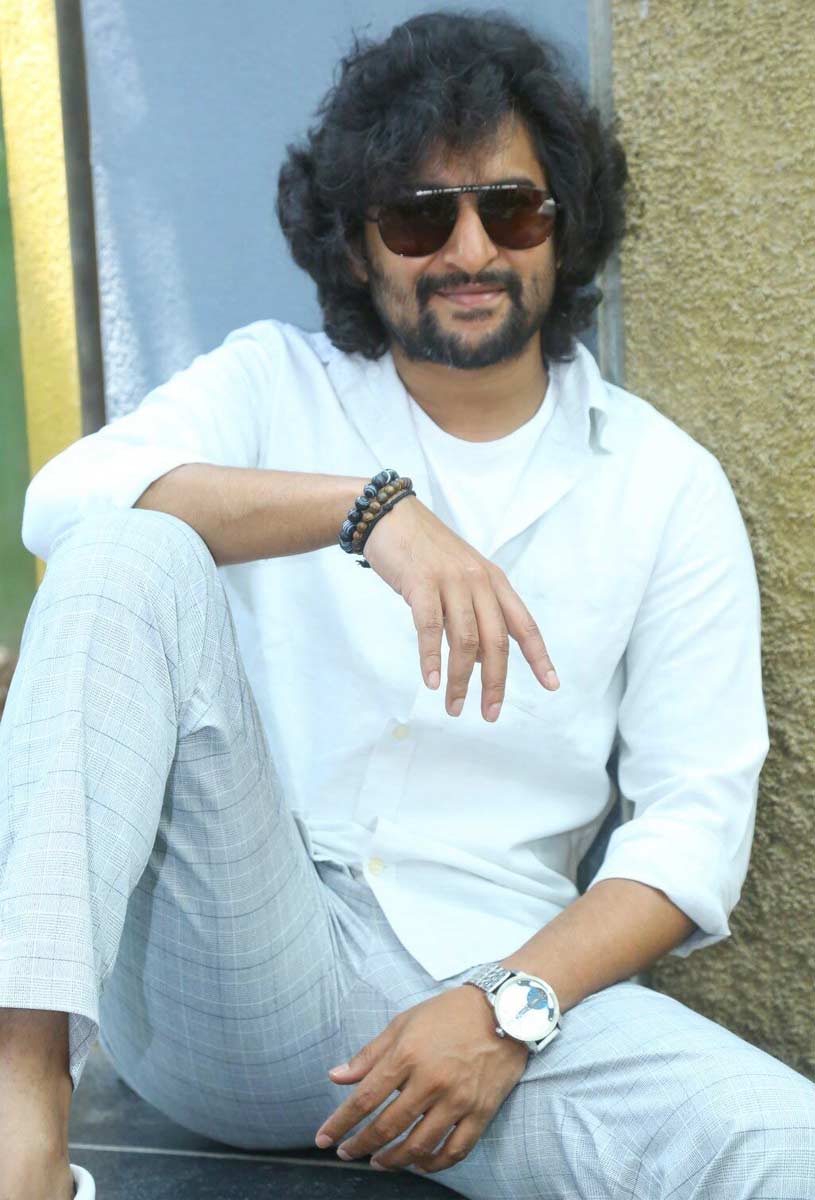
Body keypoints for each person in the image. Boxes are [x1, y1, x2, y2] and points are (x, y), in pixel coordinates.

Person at [2, 10, 814, 1200]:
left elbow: (691, 828)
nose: (469, 249)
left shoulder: (661, 485)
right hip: (240, 959)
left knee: (784, 1146)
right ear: (357, 246)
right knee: (128, 545)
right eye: (419, 217)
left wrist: (505, 1007)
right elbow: (63, 501)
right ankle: (20, 1123)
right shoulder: (273, 385)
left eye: (512, 210)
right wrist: (368, 512)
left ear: (562, 228)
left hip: (492, 1003)